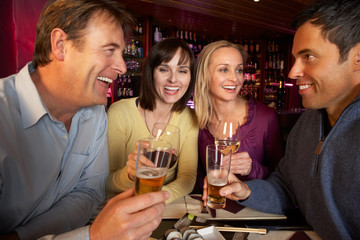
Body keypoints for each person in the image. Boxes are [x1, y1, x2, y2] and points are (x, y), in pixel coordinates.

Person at [0, 0, 169, 239]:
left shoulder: (95, 113)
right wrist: (94, 235)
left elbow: (89, 192)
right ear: (60, 45)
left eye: (121, 53)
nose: (121, 66)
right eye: (109, 50)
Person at [202, 0, 360, 239]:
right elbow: (285, 187)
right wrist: (245, 190)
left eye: (309, 56)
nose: (293, 72)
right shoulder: (307, 123)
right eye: (296, 57)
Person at [106, 38, 198, 204]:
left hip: (163, 207)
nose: (173, 79)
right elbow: (105, 182)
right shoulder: (120, 113)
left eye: (182, 71)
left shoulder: (189, 118)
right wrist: (129, 174)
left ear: (191, 77)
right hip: (120, 208)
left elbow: (187, 177)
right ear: (151, 73)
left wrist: (155, 197)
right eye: (164, 69)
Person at [193, 40, 284, 192]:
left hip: (253, 213)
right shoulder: (195, 120)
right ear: (204, 74)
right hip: (208, 210)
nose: (235, 79)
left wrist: (252, 169)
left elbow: (283, 180)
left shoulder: (265, 118)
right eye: (223, 70)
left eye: (239, 70)